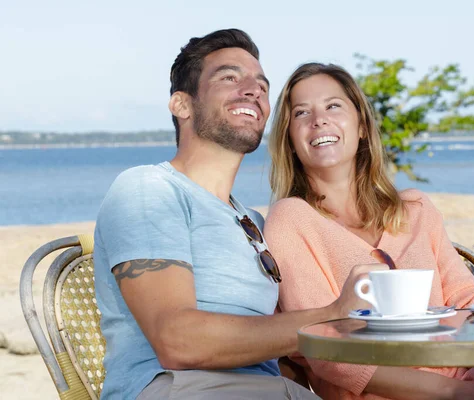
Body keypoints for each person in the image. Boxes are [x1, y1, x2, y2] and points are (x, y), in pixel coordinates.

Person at [263, 62, 474, 400]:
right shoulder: (291, 220)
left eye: (333, 105)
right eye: (301, 113)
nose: (318, 119)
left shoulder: (416, 209)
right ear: (290, 139)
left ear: (362, 126)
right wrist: (459, 392)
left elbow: (467, 298)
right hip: (415, 394)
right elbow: (327, 355)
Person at [94, 30, 384, 400]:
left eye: (261, 85)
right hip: (179, 388)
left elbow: (282, 355)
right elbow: (179, 342)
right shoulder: (149, 189)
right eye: (230, 78)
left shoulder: (255, 223)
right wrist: (332, 315)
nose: (253, 91)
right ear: (181, 104)